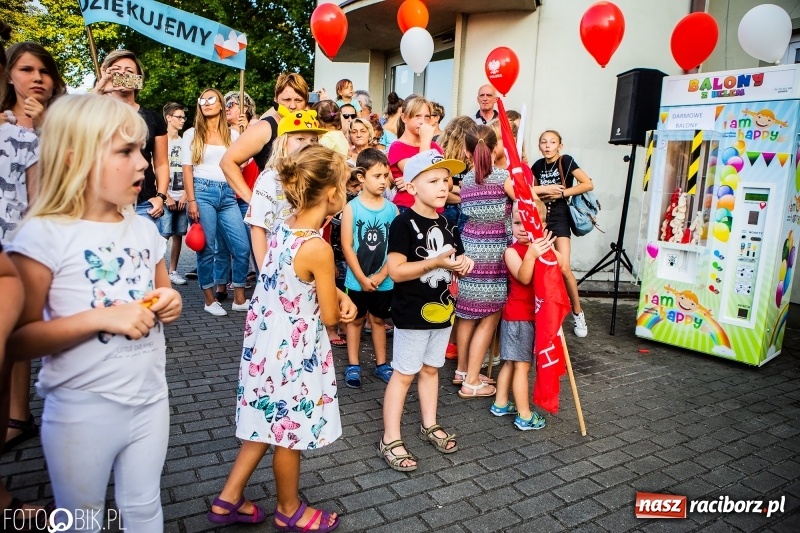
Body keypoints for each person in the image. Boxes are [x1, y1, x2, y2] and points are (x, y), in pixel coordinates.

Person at [7, 93, 182, 531]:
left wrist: (170, 302)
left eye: (142, 151)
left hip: (151, 399)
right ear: (75, 159)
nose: (142, 164)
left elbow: (163, 290)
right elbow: (17, 340)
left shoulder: (144, 229)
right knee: (81, 518)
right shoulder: (43, 235)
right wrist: (101, 318)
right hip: (81, 408)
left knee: (144, 508)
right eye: (125, 152)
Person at [207, 145, 355, 532]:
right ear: (330, 193)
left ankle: (228, 498)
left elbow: (293, 279)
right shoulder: (318, 247)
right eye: (344, 185)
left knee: (266, 421)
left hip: (266, 343)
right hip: (294, 351)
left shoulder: (285, 225)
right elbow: (328, 316)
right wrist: (343, 306)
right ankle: (289, 508)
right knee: (288, 433)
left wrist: (334, 291)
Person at [379, 149, 473, 472]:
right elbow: (396, 271)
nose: (443, 186)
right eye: (433, 181)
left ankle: (429, 424)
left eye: (446, 180)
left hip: (443, 312)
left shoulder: (449, 223)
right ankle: (390, 438)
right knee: (404, 374)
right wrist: (435, 262)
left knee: (432, 369)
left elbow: (454, 262)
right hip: (411, 314)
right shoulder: (402, 223)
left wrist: (463, 264)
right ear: (411, 187)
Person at [0, 22, 47, 528]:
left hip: (23, 248)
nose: (35, 78)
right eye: (25, 69)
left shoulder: (56, 125)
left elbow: (40, 195)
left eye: (43, 70)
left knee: (17, 343)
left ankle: (20, 413)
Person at [454, 125, 511, 399]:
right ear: (495, 148)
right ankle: (472, 381)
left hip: (469, 248)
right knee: (489, 316)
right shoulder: (503, 178)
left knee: (466, 314)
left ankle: (462, 370)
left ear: (467, 152)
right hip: (494, 251)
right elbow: (526, 200)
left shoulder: (466, 181)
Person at [182, 88, 250, 316]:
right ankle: (209, 300)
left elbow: (241, 164)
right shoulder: (192, 134)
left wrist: (245, 133)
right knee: (207, 249)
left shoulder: (233, 134)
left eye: (211, 99)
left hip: (228, 194)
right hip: (202, 192)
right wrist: (191, 200)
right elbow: (187, 169)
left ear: (221, 104)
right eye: (202, 100)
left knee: (241, 247)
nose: (206, 102)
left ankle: (239, 298)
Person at [491, 203, 554, 430]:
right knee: (521, 366)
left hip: (530, 316)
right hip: (519, 317)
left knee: (511, 362)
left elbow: (561, 268)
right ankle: (524, 415)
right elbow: (523, 277)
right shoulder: (512, 251)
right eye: (517, 222)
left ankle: (500, 403)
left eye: (528, 223)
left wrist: (547, 248)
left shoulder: (541, 247)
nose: (522, 228)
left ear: (541, 226)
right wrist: (532, 254)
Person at [525, 130, 593, 337]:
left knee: (564, 267)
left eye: (552, 142)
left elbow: (588, 184)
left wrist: (562, 193)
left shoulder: (566, 161)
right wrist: (544, 191)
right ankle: (548, 312)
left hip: (560, 216)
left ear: (560, 146)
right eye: (543, 142)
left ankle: (578, 312)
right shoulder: (537, 166)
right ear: (539, 146)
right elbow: (531, 192)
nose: (548, 145)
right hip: (542, 216)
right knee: (542, 265)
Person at [341, 149, 397, 388]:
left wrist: (382, 275)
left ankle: (382, 364)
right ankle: (353, 365)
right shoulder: (351, 208)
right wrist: (362, 278)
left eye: (386, 175)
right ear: (361, 177)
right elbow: (347, 245)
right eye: (377, 176)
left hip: (384, 280)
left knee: (378, 320)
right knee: (355, 321)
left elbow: (395, 248)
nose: (383, 181)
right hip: (357, 280)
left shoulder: (392, 210)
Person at [245, 108, 328, 270]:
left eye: (313, 140)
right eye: (300, 139)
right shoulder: (270, 178)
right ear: (283, 142)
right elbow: (258, 229)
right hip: (277, 266)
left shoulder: (315, 178)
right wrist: (265, 273)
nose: (307, 145)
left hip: (307, 263)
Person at [93, 50, 170, 225]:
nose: (122, 74)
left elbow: (161, 163)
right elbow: (75, 128)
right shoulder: (97, 112)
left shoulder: (153, 118)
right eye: (116, 70)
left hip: (143, 204)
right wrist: (99, 90)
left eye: (129, 71)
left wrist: (161, 196)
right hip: (104, 203)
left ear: (138, 79)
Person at [221, 72, 309, 197]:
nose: (293, 106)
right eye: (287, 100)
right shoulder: (265, 127)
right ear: (276, 100)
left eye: (298, 100)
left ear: (306, 102)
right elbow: (227, 162)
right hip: (273, 203)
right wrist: (252, 199)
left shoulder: (310, 127)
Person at [436, 115, 475, 359]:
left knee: (453, 279)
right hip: (451, 217)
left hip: (457, 215)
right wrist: (465, 194)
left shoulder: (467, 160)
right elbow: (445, 193)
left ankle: (451, 341)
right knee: (452, 278)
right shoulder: (444, 157)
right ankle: (450, 341)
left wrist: (461, 193)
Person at [387, 96, 441, 214]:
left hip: (435, 209)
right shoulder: (397, 147)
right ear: (404, 118)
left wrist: (411, 178)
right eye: (417, 116)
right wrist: (425, 141)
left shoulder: (435, 147)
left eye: (427, 117)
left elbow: (449, 182)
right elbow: (422, 175)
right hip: (409, 207)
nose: (422, 121)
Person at [0, 42, 66, 132]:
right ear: (8, 76)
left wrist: (44, 127)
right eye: (26, 70)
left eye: (45, 72)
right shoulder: (2, 120)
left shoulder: (71, 122)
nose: (38, 78)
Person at [162, 102, 189, 285]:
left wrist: (187, 194)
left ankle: (173, 271)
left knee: (178, 234)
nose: (182, 120)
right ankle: (156, 272)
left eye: (183, 117)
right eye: (179, 117)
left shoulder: (186, 142)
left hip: (182, 195)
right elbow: (155, 169)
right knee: (162, 235)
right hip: (166, 196)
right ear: (168, 118)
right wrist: (165, 195)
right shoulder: (160, 140)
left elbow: (191, 169)